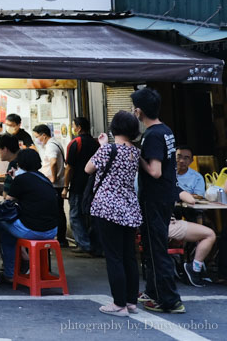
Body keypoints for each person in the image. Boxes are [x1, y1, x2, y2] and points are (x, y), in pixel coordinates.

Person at [134, 88, 184, 315]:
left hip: (154, 198)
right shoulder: (166, 130)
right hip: (165, 196)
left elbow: (154, 171)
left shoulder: (152, 135)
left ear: (139, 111)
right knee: (153, 246)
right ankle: (153, 292)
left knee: (156, 249)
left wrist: (137, 157)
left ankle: (170, 300)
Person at [87, 110, 142, 316]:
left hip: (108, 207)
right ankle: (130, 302)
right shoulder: (135, 152)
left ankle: (118, 304)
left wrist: (102, 147)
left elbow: (88, 169)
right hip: (129, 207)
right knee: (129, 256)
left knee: (114, 256)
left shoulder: (107, 150)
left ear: (114, 127)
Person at [0, 149, 57, 284]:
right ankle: (26, 256)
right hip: (52, 230)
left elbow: (8, 202)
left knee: (1, 222)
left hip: (33, 230)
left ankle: (11, 272)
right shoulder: (44, 179)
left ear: (20, 163)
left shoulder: (21, 179)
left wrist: (13, 182)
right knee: (14, 223)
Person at [65, 117, 100, 255]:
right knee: (91, 215)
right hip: (93, 185)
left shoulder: (75, 143)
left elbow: (69, 168)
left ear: (79, 127)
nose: (73, 128)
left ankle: (84, 245)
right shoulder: (96, 143)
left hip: (78, 185)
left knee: (75, 215)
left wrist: (65, 187)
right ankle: (93, 243)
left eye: (73, 126)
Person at [33, 124, 67, 246]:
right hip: (56, 183)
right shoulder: (55, 143)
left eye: (37, 137)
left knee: (57, 212)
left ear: (44, 135)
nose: (37, 140)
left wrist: (53, 177)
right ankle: (61, 238)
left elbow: (53, 162)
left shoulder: (51, 146)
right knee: (58, 211)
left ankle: (61, 239)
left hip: (54, 185)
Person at [173, 188, 216, 287]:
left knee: (201, 231)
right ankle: (194, 269)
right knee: (210, 234)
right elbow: (191, 200)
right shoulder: (168, 182)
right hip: (169, 224)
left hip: (154, 223)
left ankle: (197, 267)